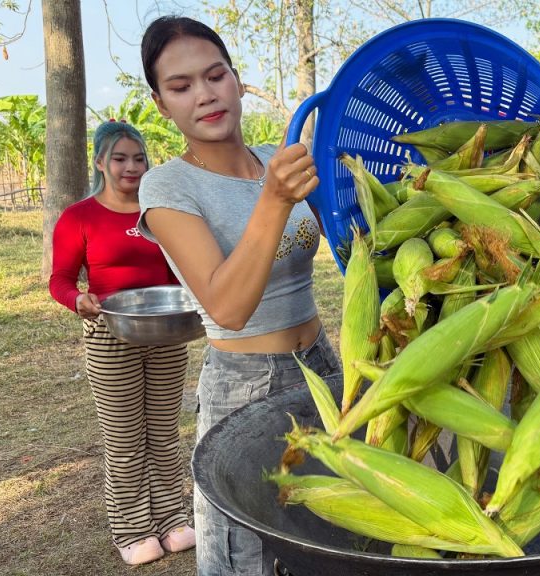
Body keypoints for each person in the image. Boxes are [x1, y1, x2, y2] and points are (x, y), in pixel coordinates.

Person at [138, 16, 340, 576]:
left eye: (215, 75)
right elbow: (226, 307)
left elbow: (349, 236)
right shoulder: (168, 186)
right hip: (247, 382)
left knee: (327, 527)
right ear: (161, 104)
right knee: (245, 552)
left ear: (236, 80)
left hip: (321, 364)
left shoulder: (275, 159)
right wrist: (272, 200)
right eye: (181, 86)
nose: (205, 95)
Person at [48, 120, 195, 566]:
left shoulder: (158, 212)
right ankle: (132, 529)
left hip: (165, 334)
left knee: (164, 434)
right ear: (100, 162)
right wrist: (77, 299)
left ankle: (171, 518)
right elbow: (59, 279)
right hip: (110, 335)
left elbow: (175, 273)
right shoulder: (80, 217)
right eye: (120, 158)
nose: (131, 167)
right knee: (126, 440)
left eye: (138, 158)